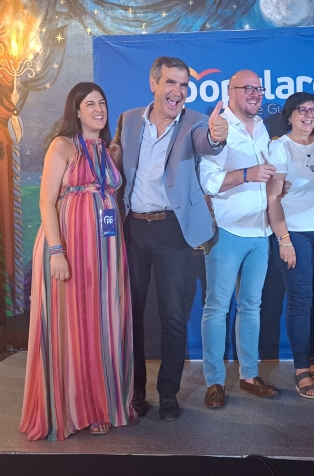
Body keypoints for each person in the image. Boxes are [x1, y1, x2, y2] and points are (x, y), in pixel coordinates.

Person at [112, 56, 228, 421]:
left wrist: (217, 135)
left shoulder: (195, 122)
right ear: (154, 84)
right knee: (132, 316)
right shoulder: (128, 119)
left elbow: (207, 143)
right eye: (171, 83)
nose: (178, 91)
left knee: (174, 317)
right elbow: (112, 162)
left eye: (184, 85)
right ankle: (135, 392)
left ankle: (168, 395)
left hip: (173, 230)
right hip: (132, 230)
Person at [20, 82, 134, 440]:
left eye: (102, 103)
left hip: (106, 251)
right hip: (68, 248)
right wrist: (57, 252)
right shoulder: (63, 145)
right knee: (71, 326)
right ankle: (70, 409)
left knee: (103, 325)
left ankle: (102, 406)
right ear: (77, 111)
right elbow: (45, 201)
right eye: (90, 104)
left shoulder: (109, 150)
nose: (99, 109)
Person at [199, 70, 279, 409]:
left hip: (261, 232)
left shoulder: (261, 126)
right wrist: (247, 174)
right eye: (248, 88)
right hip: (227, 231)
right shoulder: (219, 128)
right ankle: (215, 382)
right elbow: (207, 181)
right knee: (217, 308)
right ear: (229, 92)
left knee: (251, 307)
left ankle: (249, 375)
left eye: (259, 88)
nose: (255, 93)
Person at [266, 92, 314, 399]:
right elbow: (272, 198)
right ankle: (300, 370)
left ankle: (312, 358)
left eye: (312, 110)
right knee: (300, 300)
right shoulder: (279, 146)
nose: (308, 115)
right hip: (295, 232)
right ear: (289, 116)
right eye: (301, 110)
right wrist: (283, 240)